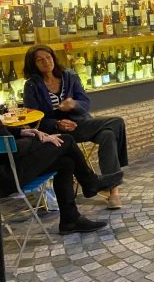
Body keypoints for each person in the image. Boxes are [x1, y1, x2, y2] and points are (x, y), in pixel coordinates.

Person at [0, 34, 122, 235]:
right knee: (65, 141)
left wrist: (24, 130)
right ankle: (91, 183)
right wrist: (36, 138)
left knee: (65, 159)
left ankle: (71, 218)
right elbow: (10, 149)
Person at [23, 45, 128, 209]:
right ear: (33, 64)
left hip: (79, 123)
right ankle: (108, 183)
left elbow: (85, 104)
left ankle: (113, 191)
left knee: (111, 130)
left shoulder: (69, 76)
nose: (45, 62)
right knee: (115, 125)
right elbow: (33, 117)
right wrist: (57, 123)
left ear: (53, 58)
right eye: (39, 60)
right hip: (56, 131)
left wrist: (73, 104)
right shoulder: (32, 85)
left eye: (48, 57)